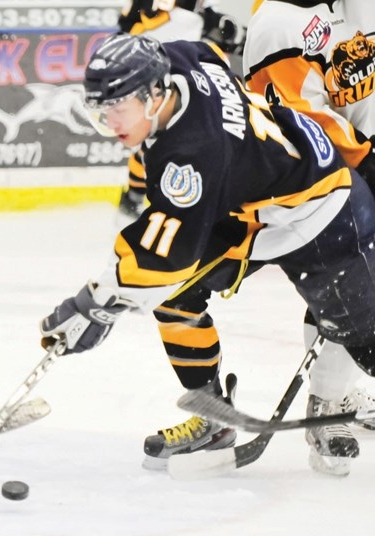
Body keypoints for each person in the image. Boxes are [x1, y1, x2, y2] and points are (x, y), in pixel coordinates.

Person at [40, 33, 375, 477]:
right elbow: (209, 51)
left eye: (116, 109)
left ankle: (335, 392)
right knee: (174, 298)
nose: (109, 122)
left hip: (324, 207)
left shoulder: (192, 155)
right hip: (256, 202)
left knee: (365, 337)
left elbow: (164, 257)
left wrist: (94, 303)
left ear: (153, 94)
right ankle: (214, 420)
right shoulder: (180, 57)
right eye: (101, 110)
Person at [243, 0, 375, 474]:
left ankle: (342, 387)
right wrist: (366, 159)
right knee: (350, 278)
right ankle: (328, 405)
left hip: (363, 160)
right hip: (323, 180)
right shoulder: (277, 22)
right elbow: (298, 119)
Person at [115, 0, 245, 222]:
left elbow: (222, 30)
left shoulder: (194, 12)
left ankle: (137, 200)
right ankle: (135, 199)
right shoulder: (162, 11)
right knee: (154, 142)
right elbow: (133, 26)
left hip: (188, 75)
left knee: (181, 142)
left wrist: (227, 34)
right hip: (164, 76)